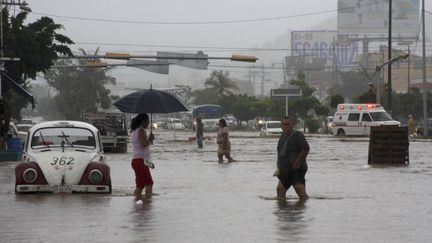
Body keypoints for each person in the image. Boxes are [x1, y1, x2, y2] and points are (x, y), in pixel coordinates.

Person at [274, 116, 310, 201]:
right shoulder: (282, 137)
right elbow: (280, 153)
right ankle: (283, 209)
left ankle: (302, 209)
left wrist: (297, 163)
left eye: (288, 124)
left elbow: (305, 149)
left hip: (297, 169)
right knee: (280, 189)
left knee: (300, 191)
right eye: (284, 124)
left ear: (292, 125)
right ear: (281, 126)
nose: (286, 126)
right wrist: (278, 167)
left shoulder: (298, 135)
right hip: (285, 170)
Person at [130, 113, 155, 202]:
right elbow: (144, 144)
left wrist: (150, 163)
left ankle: (137, 203)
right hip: (140, 161)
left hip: (137, 160)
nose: (148, 123)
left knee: (140, 185)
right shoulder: (140, 130)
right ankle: (148, 204)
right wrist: (150, 139)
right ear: (143, 121)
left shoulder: (137, 130)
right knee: (149, 183)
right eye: (148, 121)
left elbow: (143, 147)